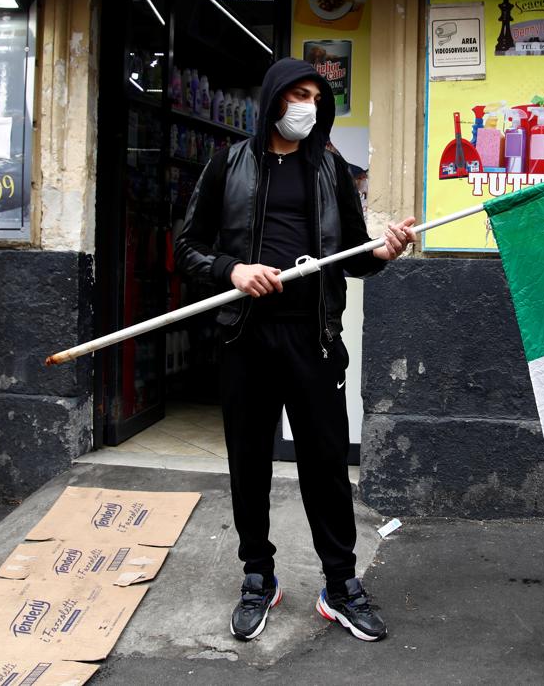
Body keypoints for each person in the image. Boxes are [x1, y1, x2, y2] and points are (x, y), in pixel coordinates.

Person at [175, 58, 416, 643]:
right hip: (245, 339)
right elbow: (186, 248)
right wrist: (232, 270)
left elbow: (352, 256)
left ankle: (339, 585)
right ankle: (258, 576)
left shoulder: (328, 168)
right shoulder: (227, 163)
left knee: (327, 467)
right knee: (249, 464)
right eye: (297, 94)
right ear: (274, 100)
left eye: (316, 95)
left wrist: (382, 254)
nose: (307, 105)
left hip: (315, 341)